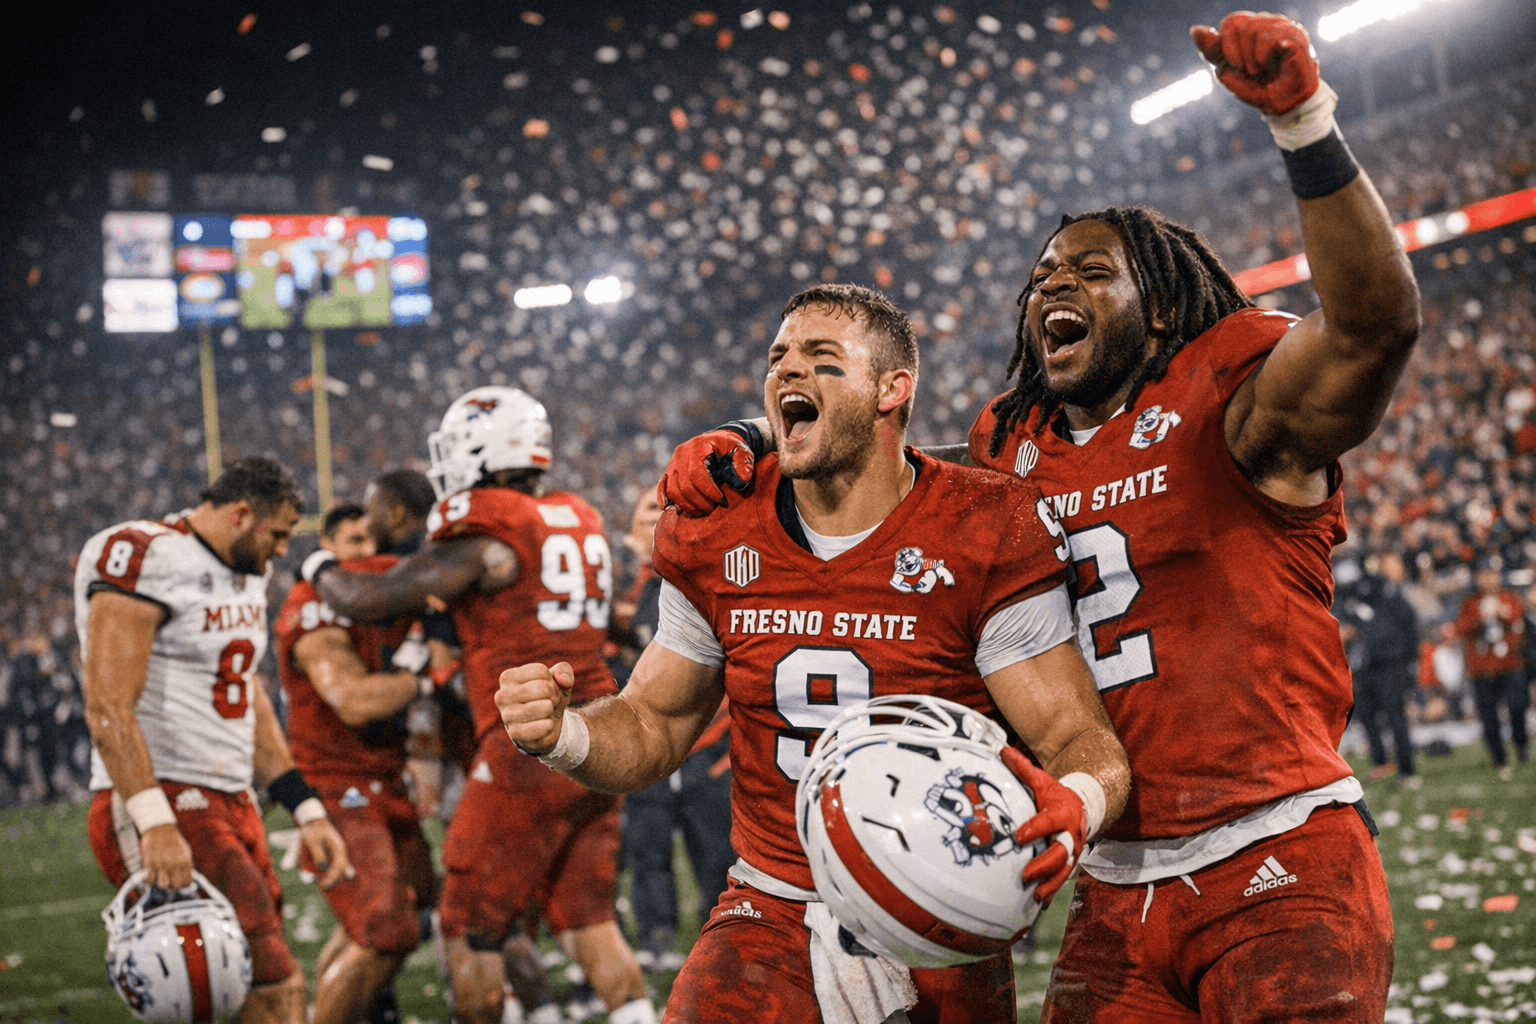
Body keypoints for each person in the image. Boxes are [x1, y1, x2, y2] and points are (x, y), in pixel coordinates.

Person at [660, 14, 1418, 1021]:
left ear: (1159, 310)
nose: (1053, 283)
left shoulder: (1229, 396)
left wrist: (1304, 124)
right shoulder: (1011, 442)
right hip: (1109, 876)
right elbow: (887, 477)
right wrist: (746, 445)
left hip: (1274, 851)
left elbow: (1375, 326)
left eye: (1092, 270)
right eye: (1041, 279)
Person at [500, 283, 1132, 1023]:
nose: (788, 369)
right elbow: (652, 725)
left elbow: (1075, 737)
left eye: (822, 358)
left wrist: (1078, 801)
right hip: (772, 902)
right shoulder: (716, 525)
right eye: (778, 356)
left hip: (934, 905)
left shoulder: (981, 527)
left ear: (892, 388)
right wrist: (564, 733)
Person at [301, 388, 656, 1024]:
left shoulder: (492, 531)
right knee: (589, 921)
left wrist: (320, 565)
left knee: (466, 927)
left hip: (531, 743)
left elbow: (375, 598)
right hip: (600, 735)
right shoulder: (574, 517)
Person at [77, 457, 352, 1024]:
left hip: (231, 796)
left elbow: (243, 691)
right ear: (241, 514)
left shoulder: (244, 571)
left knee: (242, 989)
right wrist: (154, 819)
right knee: (264, 985)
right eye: (276, 535)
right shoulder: (143, 554)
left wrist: (303, 805)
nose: (281, 551)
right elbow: (107, 706)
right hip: (168, 796)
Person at [275, 502, 438, 1024]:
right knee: (384, 932)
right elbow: (353, 700)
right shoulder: (313, 606)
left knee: (402, 916)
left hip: (385, 777)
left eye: (372, 542)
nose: (367, 555)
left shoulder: (393, 598)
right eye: (353, 543)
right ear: (327, 549)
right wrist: (429, 678)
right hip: (335, 784)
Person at [611, 486, 733, 968]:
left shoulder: (697, 578)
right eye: (645, 519)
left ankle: (721, 939)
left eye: (660, 517)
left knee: (717, 856)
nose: (654, 525)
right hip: (650, 745)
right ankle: (657, 940)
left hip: (707, 745)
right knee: (648, 850)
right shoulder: (627, 588)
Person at [1336, 550, 1421, 786]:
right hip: (1364, 664)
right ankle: (1381, 762)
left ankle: (1406, 768)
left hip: (1387, 663)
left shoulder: (1382, 590)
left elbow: (1394, 626)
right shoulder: (1347, 594)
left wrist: (1358, 631)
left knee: (1395, 716)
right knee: (1367, 716)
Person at [1452, 563, 1529, 779]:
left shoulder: (1510, 597)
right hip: (1483, 668)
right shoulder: (1471, 602)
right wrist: (1480, 617)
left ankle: (1522, 745)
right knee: (1489, 716)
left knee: (1517, 707)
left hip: (1510, 664)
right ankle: (1499, 757)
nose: (1488, 579)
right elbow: (1461, 629)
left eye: (1492, 574)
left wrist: (1500, 614)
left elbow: (1517, 624)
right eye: (1484, 575)